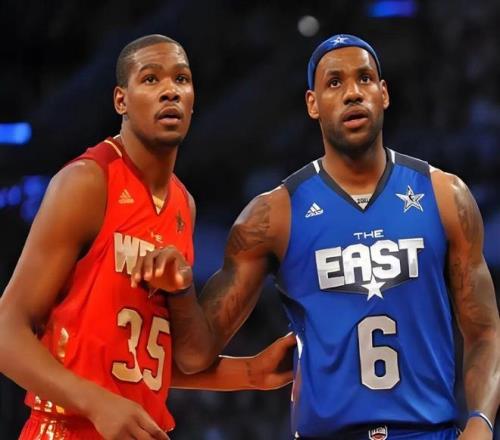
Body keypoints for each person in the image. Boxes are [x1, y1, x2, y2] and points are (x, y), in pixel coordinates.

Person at [133, 34, 500, 439]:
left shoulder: (445, 196)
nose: (352, 93)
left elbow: (484, 332)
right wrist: (182, 292)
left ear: (384, 93)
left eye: (364, 79)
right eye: (334, 82)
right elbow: (193, 356)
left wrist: (481, 422)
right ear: (312, 104)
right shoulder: (273, 216)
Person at [0, 34, 295, 440]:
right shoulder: (88, 181)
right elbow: (6, 330)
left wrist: (250, 372)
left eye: (181, 79)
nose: (170, 90)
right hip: (66, 428)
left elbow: (134, 358)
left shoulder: (182, 204)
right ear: (121, 100)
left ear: (192, 100)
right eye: (151, 79)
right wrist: (96, 402)